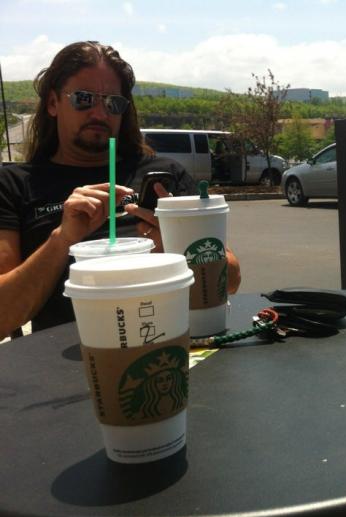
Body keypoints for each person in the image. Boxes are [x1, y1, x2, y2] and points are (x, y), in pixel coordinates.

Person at [0, 41, 241, 338]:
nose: (100, 114)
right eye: (84, 99)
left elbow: (231, 280)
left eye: (113, 103)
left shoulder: (165, 176)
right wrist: (62, 240)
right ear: (52, 103)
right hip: (63, 359)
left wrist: (179, 247)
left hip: (168, 346)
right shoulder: (13, 185)